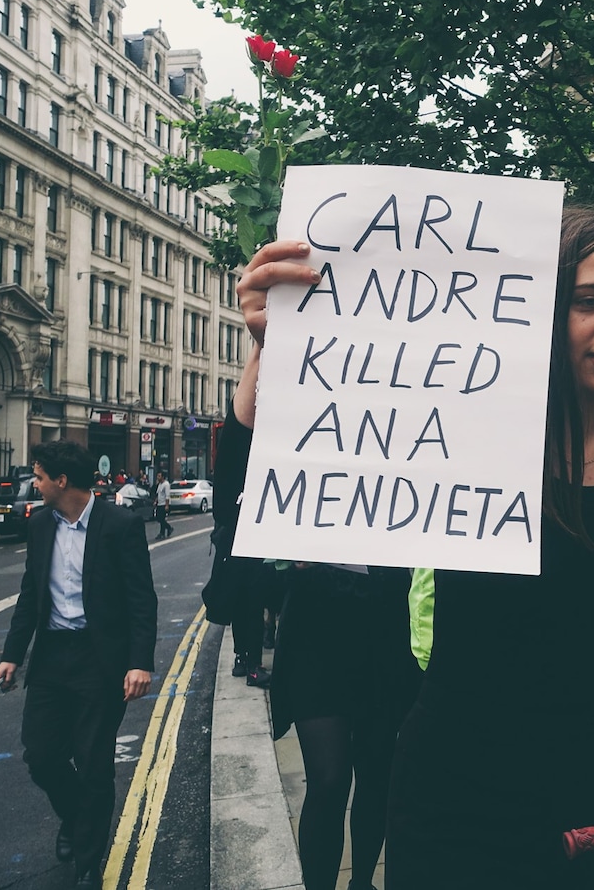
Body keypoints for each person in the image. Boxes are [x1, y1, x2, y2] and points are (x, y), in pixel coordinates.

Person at [235, 207, 594, 890]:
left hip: (577, 789)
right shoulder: (461, 435)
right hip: (449, 786)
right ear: (539, 312)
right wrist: (271, 349)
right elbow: (278, 477)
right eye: (589, 301)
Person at [209, 343, 417, 890]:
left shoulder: (409, 438)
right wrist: (259, 347)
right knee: (328, 780)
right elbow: (235, 465)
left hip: (385, 629)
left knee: (377, 777)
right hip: (318, 627)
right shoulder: (307, 430)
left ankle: (361, 884)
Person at [0, 441, 157, 889]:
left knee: (94, 761)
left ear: (61, 481)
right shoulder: (41, 524)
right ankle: (77, 817)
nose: (35, 483)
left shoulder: (119, 525)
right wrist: (12, 654)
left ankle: (88, 863)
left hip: (98, 660)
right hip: (52, 657)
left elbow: (142, 599)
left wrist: (140, 663)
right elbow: (31, 594)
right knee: (42, 755)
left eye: (40, 476)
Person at [152, 471, 173, 540]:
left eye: (159, 476)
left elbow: (167, 495)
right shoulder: (160, 484)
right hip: (159, 504)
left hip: (164, 504)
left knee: (161, 519)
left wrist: (167, 505)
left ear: (163, 477)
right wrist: (155, 501)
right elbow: (158, 494)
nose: (158, 477)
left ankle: (163, 532)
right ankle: (167, 529)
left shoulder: (166, 484)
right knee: (159, 519)